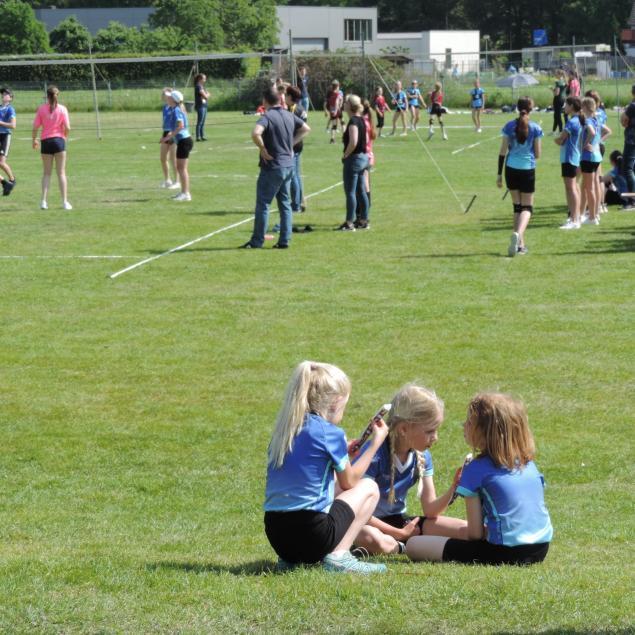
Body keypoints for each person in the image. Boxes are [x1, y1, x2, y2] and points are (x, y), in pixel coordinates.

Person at [264, 361, 389, 574]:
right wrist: (375, 444)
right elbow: (350, 482)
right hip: (312, 534)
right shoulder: (330, 432)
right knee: (369, 487)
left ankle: (291, 561)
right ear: (335, 402)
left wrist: (344, 456)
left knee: (333, 489)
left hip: (277, 536)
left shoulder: (284, 432)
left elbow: (312, 477)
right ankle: (339, 557)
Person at [406, 392, 553, 566]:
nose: (464, 425)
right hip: (541, 548)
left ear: (484, 432)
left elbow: (474, 534)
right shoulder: (528, 464)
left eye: (469, 422)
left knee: (413, 545)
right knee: (434, 526)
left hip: (504, 552)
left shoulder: (475, 469)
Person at [352, 384, 467, 556]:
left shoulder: (423, 456)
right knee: (368, 536)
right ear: (404, 429)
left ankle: (488, 541)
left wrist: (454, 487)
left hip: (400, 522)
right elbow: (358, 511)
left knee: (461, 528)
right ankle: (402, 546)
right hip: (368, 522)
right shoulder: (374, 454)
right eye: (430, 431)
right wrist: (399, 534)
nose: (435, 438)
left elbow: (430, 510)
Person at [241, 87, 310, 249]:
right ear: (280, 100)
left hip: (272, 166)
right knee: (285, 204)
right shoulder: (289, 114)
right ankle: (284, 240)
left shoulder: (267, 117)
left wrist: (262, 148)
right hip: (288, 165)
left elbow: (255, 133)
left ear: (265, 101)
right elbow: (306, 129)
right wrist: (291, 144)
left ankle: (257, 241)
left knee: (263, 204)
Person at [497, 96, 543, 256]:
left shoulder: (509, 126)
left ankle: (519, 245)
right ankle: (518, 235)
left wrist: (499, 174)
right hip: (527, 169)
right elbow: (538, 154)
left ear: (517, 108)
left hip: (510, 169)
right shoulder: (535, 128)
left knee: (517, 207)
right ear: (531, 109)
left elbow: (502, 152)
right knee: (527, 208)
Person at [32, 85, 72, 210]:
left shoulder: (41, 109)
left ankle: (43, 202)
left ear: (47, 96)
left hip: (46, 142)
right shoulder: (63, 109)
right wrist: (64, 136)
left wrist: (34, 140)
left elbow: (35, 127)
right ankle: (65, 202)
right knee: (61, 173)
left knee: (46, 173)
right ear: (57, 95)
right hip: (59, 141)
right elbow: (68, 127)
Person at [338, 95, 369, 232]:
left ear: (350, 106)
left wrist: (345, 155)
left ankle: (349, 222)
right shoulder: (362, 119)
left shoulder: (353, 122)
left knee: (350, 192)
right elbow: (366, 138)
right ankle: (364, 220)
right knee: (361, 191)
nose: (343, 104)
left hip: (354, 159)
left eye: (345, 102)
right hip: (363, 158)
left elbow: (353, 141)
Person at [555, 97, 583, 230]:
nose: (564, 107)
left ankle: (574, 219)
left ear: (572, 106)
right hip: (575, 157)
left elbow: (561, 139)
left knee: (571, 189)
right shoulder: (579, 120)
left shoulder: (572, 122)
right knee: (573, 187)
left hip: (569, 158)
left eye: (566, 104)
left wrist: (556, 139)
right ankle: (575, 216)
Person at [160, 90, 193, 202]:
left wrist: (168, 137)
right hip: (184, 140)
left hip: (184, 141)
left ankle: (186, 194)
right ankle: (183, 192)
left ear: (173, 99)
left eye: (169, 97)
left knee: (182, 169)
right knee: (180, 168)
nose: (167, 98)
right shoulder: (176, 109)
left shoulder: (176, 110)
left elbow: (180, 126)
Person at [578, 96, 603, 225]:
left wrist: (585, 144)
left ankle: (592, 217)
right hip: (596, 156)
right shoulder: (596, 119)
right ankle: (594, 214)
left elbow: (592, 133)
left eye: (582, 106)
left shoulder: (588, 120)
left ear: (586, 107)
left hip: (588, 157)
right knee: (591, 186)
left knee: (589, 188)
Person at [354, 99, 376, 229]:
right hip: (369, 155)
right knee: (365, 185)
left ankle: (363, 216)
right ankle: (363, 215)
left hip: (364, 155)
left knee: (362, 186)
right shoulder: (369, 121)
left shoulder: (363, 122)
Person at [285, 85, 307, 213]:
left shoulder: (294, 110)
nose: (284, 97)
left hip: (294, 145)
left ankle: (295, 205)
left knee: (293, 176)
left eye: (286, 95)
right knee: (296, 175)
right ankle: (299, 202)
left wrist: (291, 143)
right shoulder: (300, 108)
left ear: (290, 97)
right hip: (298, 144)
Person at [159, 88, 179, 190]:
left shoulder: (175, 107)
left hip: (174, 133)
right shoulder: (165, 107)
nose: (165, 96)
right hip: (166, 132)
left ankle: (177, 181)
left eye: (167, 95)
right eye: (164, 94)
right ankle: (167, 180)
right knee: (163, 158)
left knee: (173, 159)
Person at [0, 87, 17, 196]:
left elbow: (13, 125)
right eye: (3, 93)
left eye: (6, 94)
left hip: (5, 136)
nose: (3, 95)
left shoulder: (10, 109)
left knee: (1, 162)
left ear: (10, 98)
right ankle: (5, 183)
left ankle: (12, 180)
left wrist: (1, 123)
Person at [621, 84, 635, 209]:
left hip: (632, 141)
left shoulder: (632, 106)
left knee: (628, 169)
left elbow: (624, 120)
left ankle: (632, 201)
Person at [193, 73, 210, 142]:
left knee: (202, 122)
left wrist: (206, 95)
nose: (205, 80)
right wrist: (208, 94)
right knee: (200, 122)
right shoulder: (198, 86)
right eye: (204, 78)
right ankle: (198, 137)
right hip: (200, 106)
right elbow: (206, 96)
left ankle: (202, 136)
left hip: (204, 105)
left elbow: (204, 96)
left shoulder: (201, 86)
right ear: (200, 79)